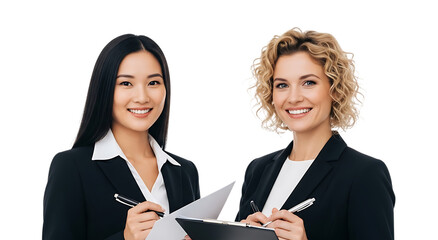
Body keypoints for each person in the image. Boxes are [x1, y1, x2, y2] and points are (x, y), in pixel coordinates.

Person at [236, 28, 395, 240]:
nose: (293, 98)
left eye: (308, 82)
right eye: (282, 85)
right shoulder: (258, 170)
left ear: (335, 88)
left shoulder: (365, 174)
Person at [43, 34, 200, 240]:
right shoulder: (71, 167)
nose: (142, 97)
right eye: (126, 84)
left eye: (153, 82)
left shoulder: (185, 172)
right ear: (105, 89)